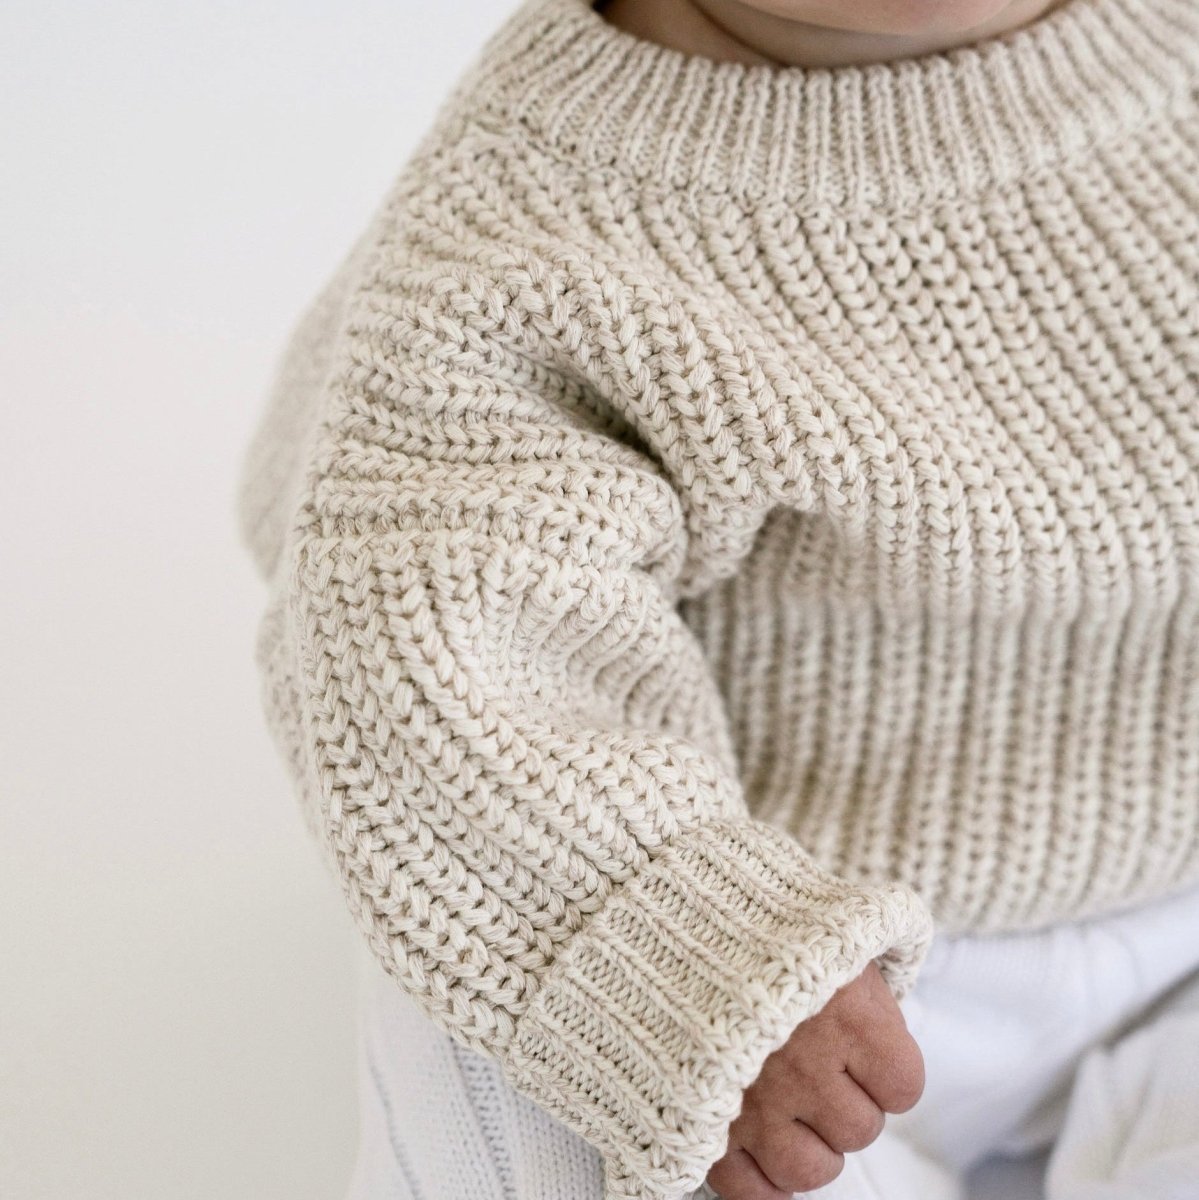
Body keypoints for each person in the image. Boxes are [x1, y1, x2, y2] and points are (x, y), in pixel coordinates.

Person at [234, 0, 1199, 1197]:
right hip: (790, 964)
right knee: (498, 1046)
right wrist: (686, 948)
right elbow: (421, 654)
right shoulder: (530, 224)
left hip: (1179, 915)